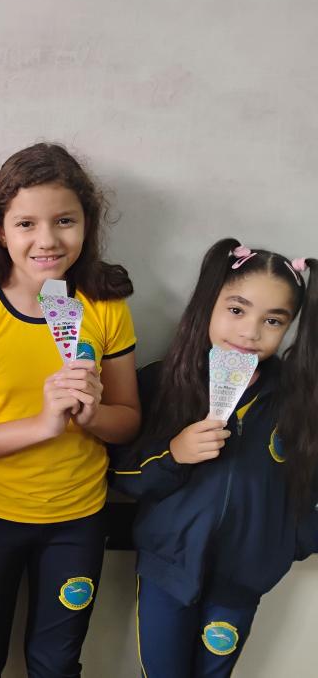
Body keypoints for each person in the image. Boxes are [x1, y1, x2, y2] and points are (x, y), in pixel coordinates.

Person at [0, 143, 141, 677]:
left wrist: (93, 416)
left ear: (87, 225)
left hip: (78, 520)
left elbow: (128, 420)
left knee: (57, 663)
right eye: (26, 223)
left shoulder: (104, 308)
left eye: (64, 221)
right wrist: (43, 425)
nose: (47, 240)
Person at [110, 238, 318, 677]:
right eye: (237, 310)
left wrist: (288, 544)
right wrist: (174, 455)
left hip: (241, 580)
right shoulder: (163, 383)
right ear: (210, 304)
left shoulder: (297, 402)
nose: (250, 332)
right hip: (168, 571)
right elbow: (122, 474)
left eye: (273, 320)